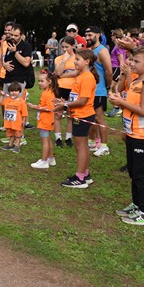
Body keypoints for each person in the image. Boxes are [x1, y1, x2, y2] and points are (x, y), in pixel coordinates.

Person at [110, 47, 144, 226]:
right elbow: (130, 103)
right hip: (132, 133)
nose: (132, 64)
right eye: (132, 60)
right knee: (134, 172)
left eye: (137, 61)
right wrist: (119, 101)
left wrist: (122, 102)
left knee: (142, 175)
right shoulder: (136, 81)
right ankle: (137, 205)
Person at [53, 49, 98, 188]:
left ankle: (80, 178)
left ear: (87, 61)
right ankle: (85, 174)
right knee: (81, 146)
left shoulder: (87, 77)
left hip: (83, 114)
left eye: (77, 59)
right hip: (79, 114)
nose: (75, 62)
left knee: (81, 146)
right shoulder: (81, 75)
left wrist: (65, 104)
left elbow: (83, 101)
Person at [84, 26, 112, 157]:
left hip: (99, 90)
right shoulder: (89, 50)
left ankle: (105, 146)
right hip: (90, 90)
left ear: (99, 35)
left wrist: (108, 86)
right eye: (86, 35)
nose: (88, 37)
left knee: (99, 118)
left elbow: (108, 71)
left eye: (90, 35)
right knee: (92, 117)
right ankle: (93, 142)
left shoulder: (102, 51)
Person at [28, 70, 57, 169]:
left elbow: (49, 108)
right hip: (44, 119)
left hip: (46, 120)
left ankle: (44, 161)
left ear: (49, 81)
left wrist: (35, 107)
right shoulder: (46, 92)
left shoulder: (48, 94)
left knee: (45, 141)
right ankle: (51, 158)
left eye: (42, 81)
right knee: (48, 140)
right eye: (39, 81)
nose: (39, 83)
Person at [53, 36, 77, 147]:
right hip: (60, 88)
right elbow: (58, 73)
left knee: (70, 114)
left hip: (73, 88)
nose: (64, 49)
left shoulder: (77, 58)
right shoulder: (58, 59)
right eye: (62, 47)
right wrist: (64, 60)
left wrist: (63, 74)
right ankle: (58, 138)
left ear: (73, 46)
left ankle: (68, 138)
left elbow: (77, 72)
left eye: (67, 47)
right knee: (58, 113)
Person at [0, 82, 28, 153]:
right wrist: (2, 96)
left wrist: (24, 120)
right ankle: (10, 144)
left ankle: (17, 146)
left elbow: (24, 113)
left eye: (16, 91)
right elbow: (1, 103)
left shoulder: (22, 102)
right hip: (9, 121)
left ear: (19, 92)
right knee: (11, 133)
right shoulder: (7, 100)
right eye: (12, 91)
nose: (14, 93)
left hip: (17, 122)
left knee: (17, 134)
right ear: (9, 92)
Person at [106, 29, 128, 117]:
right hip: (116, 68)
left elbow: (121, 61)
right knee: (116, 88)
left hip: (117, 68)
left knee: (109, 87)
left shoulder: (118, 46)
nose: (111, 37)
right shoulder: (118, 45)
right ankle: (121, 106)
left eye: (112, 35)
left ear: (115, 36)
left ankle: (117, 107)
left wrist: (122, 73)